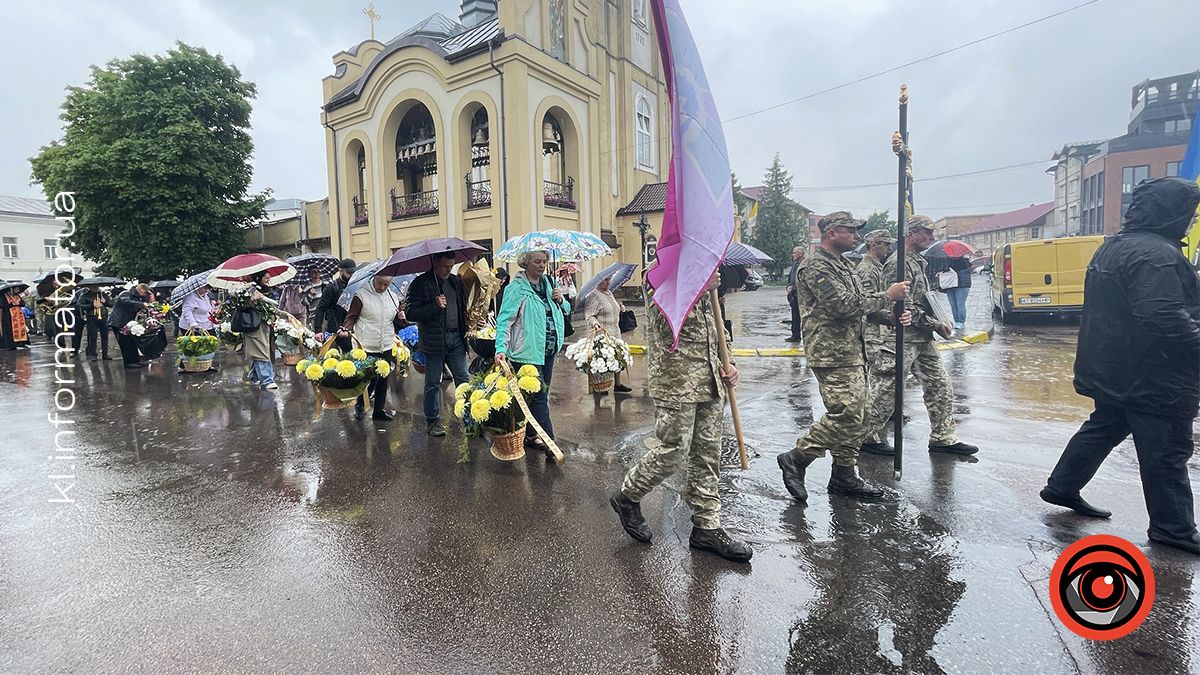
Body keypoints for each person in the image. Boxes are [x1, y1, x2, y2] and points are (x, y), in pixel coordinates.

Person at [1041, 177, 1200, 556]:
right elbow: (1162, 316)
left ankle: (1062, 485)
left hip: (1116, 370)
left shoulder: (1114, 247)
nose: (1191, 221)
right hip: (1153, 376)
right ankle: (1173, 528)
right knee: (1166, 452)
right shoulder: (1157, 256)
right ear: (1172, 213)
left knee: (1104, 426)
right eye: (1189, 213)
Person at [610, 269, 751, 562]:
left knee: (708, 455)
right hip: (678, 383)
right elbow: (666, 322)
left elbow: (718, 329)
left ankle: (706, 527)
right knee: (674, 451)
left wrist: (731, 363)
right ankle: (627, 496)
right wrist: (698, 285)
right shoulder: (659, 272)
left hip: (712, 381)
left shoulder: (706, 276)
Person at [776, 212, 911, 503]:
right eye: (851, 231)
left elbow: (861, 304)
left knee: (861, 416)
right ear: (832, 232)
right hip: (831, 352)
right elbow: (841, 305)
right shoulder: (815, 266)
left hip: (853, 349)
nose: (857, 236)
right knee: (847, 413)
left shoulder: (842, 265)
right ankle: (797, 457)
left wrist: (889, 318)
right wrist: (888, 295)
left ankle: (844, 474)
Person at [861, 216, 979, 457]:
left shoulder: (917, 262)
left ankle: (942, 437)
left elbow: (924, 301)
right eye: (926, 233)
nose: (931, 237)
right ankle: (865, 435)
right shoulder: (899, 263)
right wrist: (934, 324)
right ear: (912, 233)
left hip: (921, 336)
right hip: (901, 335)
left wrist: (938, 322)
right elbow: (902, 305)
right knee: (886, 388)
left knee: (939, 384)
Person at [494, 250, 570, 455]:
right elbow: (504, 321)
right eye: (537, 261)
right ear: (526, 263)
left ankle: (529, 435)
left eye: (544, 261)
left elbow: (568, 309)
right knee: (538, 398)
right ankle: (550, 443)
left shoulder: (549, 284)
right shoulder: (516, 289)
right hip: (526, 352)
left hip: (548, 350)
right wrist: (500, 348)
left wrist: (560, 300)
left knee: (537, 396)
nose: (542, 265)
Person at [405, 251, 471, 434]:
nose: (448, 270)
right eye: (445, 266)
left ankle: (470, 418)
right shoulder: (420, 284)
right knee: (433, 382)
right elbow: (410, 313)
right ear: (434, 262)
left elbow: (461, 308)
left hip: (456, 338)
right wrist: (434, 305)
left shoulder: (455, 282)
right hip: (434, 342)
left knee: (463, 380)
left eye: (451, 266)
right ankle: (433, 421)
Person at [856, 229, 900, 456]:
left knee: (875, 380)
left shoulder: (877, 268)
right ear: (873, 244)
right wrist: (888, 316)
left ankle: (871, 427)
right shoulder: (866, 270)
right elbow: (866, 306)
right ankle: (866, 435)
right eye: (884, 244)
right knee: (876, 380)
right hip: (869, 333)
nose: (888, 248)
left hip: (877, 331)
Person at [341, 273, 405, 421]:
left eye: (386, 284)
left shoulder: (393, 296)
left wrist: (401, 316)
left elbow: (397, 321)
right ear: (374, 279)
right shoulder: (361, 295)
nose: (382, 287)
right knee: (369, 378)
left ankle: (379, 410)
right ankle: (360, 404)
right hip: (366, 344)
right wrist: (346, 328)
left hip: (386, 343)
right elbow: (351, 316)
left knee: (383, 377)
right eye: (380, 283)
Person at [583, 274, 632, 394]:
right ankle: (601, 385)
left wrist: (620, 308)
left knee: (617, 357)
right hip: (602, 332)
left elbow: (612, 309)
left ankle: (618, 384)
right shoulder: (593, 296)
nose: (608, 282)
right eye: (606, 280)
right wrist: (595, 324)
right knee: (603, 359)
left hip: (615, 331)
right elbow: (589, 315)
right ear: (599, 281)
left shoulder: (609, 293)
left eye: (609, 280)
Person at [243, 272, 280, 390]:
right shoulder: (247, 290)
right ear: (258, 278)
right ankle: (267, 380)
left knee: (261, 351)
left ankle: (254, 376)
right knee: (261, 352)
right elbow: (242, 307)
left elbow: (273, 306)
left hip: (265, 327)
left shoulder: (265, 290)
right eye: (266, 277)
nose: (268, 279)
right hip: (253, 326)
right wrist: (253, 300)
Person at [107, 284, 153, 368]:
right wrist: (142, 304)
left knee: (132, 342)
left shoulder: (137, 297)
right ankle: (128, 363)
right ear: (140, 289)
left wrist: (142, 309)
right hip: (119, 322)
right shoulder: (126, 294)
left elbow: (134, 307)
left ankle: (135, 361)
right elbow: (126, 302)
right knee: (125, 343)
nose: (145, 294)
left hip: (128, 322)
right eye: (145, 292)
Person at [312, 258, 356, 343]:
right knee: (333, 355)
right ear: (340, 270)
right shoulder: (331, 287)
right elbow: (321, 308)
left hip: (351, 329)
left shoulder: (354, 285)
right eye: (349, 273)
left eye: (353, 272)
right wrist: (318, 330)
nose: (351, 275)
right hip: (334, 330)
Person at [76, 286, 111, 360]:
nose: (95, 287)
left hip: (103, 317)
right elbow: (79, 305)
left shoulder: (103, 294)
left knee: (105, 336)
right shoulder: (85, 295)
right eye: (93, 286)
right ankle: (93, 355)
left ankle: (105, 354)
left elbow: (112, 304)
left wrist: (106, 302)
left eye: (96, 286)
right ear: (89, 287)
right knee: (93, 336)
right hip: (92, 317)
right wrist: (92, 305)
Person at [943, 255, 972, 331]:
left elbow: (964, 274)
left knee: (960, 304)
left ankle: (961, 322)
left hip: (962, 286)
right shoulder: (948, 261)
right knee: (953, 305)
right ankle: (956, 321)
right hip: (950, 285)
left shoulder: (964, 262)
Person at [785, 245, 806, 342]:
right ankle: (795, 335)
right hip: (794, 295)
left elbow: (803, 281)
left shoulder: (805, 264)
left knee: (803, 317)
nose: (792, 254)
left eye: (794, 252)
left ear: (800, 253)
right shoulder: (795, 264)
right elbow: (791, 278)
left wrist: (793, 288)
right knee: (795, 316)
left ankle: (804, 336)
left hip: (802, 296)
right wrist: (788, 286)